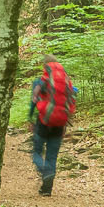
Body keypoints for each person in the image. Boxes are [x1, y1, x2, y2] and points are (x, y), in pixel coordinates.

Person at [30, 56, 76, 196]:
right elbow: (72, 99)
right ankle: (46, 189)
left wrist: (30, 118)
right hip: (60, 124)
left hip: (43, 122)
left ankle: (44, 171)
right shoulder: (67, 82)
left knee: (37, 152)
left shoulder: (41, 81)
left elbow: (33, 101)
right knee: (52, 156)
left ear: (45, 66)